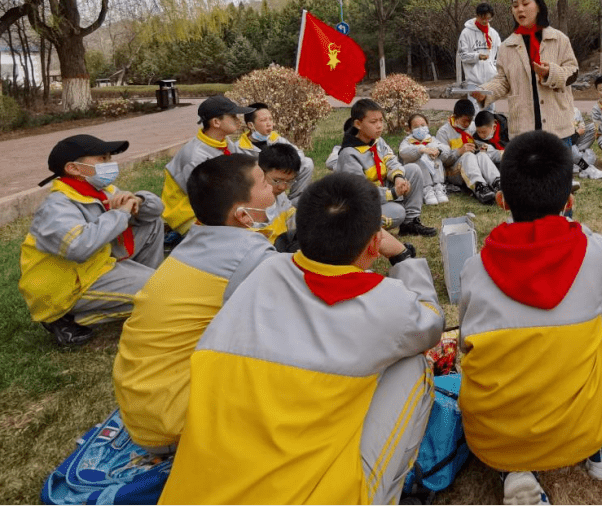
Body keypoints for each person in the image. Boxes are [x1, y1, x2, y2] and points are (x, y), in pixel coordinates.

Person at [158, 172, 442, 505]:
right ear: (374, 243)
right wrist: (402, 258)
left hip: (195, 492)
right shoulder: (387, 302)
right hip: (314, 496)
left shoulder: (262, 272)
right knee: (413, 363)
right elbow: (431, 325)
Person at [457, 130, 602, 505]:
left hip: (493, 439)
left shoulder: (473, 270)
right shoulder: (597, 254)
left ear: (501, 200)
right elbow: (588, 243)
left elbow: (464, 347)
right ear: (569, 202)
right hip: (583, 429)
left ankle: (514, 467)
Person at [112, 154, 278, 453]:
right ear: (242, 215)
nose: (274, 191)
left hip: (142, 405)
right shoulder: (250, 257)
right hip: (173, 421)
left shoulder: (193, 242)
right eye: (266, 184)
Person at [20, 135, 165, 346]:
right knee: (162, 291)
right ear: (73, 168)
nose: (109, 164)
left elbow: (156, 211)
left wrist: (137, 200)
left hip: (95, 267)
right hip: (67, 286)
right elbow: (78, 247)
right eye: (102, 159)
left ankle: (143, 292)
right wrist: (120, 213)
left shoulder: (97, 191)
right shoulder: (56, 206)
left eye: (109, 158)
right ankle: (66, 317)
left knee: (150, 222)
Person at [472, 0, 578, 141]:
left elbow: (573, 72)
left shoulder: (559, 39)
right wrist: (484, 92)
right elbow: (503, 81)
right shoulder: (507, 46)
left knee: (558, 166)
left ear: (539, 6)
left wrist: (550, 73)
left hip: (558, 128)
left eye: (525, 4)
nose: (519, 9)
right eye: (515, 6)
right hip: (523, 128)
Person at [337, 98, 437, 237]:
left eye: (381, 120)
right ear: (358, 124)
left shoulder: (378, 141)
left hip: (382, 191)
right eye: (373, 122)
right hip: (361, 207)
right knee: (398, 212)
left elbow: (391, 160)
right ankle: (357, 230)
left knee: (413, 170)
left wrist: (398, 177)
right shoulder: (349, 154)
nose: (379, 126)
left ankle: (410, 223)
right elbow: (360, 193)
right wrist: (392, 193)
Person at [162, 95, 254, 235]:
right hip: (189, 213)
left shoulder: (224, 142)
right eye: (233, 116)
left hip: (215, 201)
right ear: (216, 122)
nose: (238, 120)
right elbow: (205, 199)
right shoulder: (195, 156)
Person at [236, 102, 315, 203]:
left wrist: (282, 162)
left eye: (270, 119)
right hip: (255, 189)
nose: (269, 123)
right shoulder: (239, 147)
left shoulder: (275, 139)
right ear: (251, 125)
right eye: (263, 120)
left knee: (307, 163)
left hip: (278, 178)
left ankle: (295, 199)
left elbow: (298, 154)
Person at [436, 99, 501, 205]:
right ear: (455, 116)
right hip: (453, 171)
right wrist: (459, 152)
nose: (467, 124)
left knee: (481, 155)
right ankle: (479, 187)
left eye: (470, 120)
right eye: (464, 121)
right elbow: (442, 160)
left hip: (473, 167)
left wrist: (483, 147)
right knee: (468, 155)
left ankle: (497, 183)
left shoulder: (473, 127)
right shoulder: (443, 132)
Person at [256, 143, 301, 250]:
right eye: (276, 180)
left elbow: (292, 221)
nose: (282, 187)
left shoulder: (281, 198)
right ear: (260, 172)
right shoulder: (248, 203)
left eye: (289, 181)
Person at [399, 113, 451, 205]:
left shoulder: (431, 139)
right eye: (416, 127)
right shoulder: (408, 141)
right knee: (421, 160)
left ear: (427, 125)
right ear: (410, 129)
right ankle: (426, 189)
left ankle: (438, 187)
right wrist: (420, 150)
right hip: (418, 176)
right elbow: (403, 152)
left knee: (436, 159)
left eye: (423, 125)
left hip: (435, 174)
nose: (420, 129)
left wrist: (438, 151)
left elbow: (446, 150)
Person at [459, 3, 502, 114]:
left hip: (489, 80)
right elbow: (463, 56)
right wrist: (477, 56)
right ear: (477, 15)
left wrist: (494, 67)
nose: (485, 21)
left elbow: (501, 54)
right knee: (474, 112)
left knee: (490, 112)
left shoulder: (493, 34)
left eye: (488, 18)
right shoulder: (466, 33)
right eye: (483, 18)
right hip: (473, 81)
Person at [571, 107, 602, 180]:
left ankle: (577, 161)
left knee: (592, 127)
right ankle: (585, 167)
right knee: (566, 141)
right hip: (556, 146)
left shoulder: (573, 109)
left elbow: (581, 128)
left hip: (571, 142)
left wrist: (576, 134)